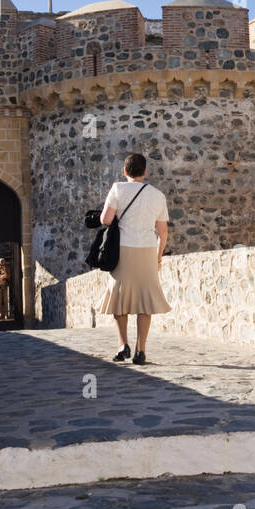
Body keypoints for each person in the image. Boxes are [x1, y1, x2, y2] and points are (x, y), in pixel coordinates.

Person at [97, 152, 170, 364]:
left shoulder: (118, 189)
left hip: (123, 249)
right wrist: (157, 256)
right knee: (145, 301)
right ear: (145, 171)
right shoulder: (157, 195)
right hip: (147, 249)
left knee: (119, 299)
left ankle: (123, 346)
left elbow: (106, 219)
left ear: (125, 171)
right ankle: (141, 350)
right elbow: (163, 232)